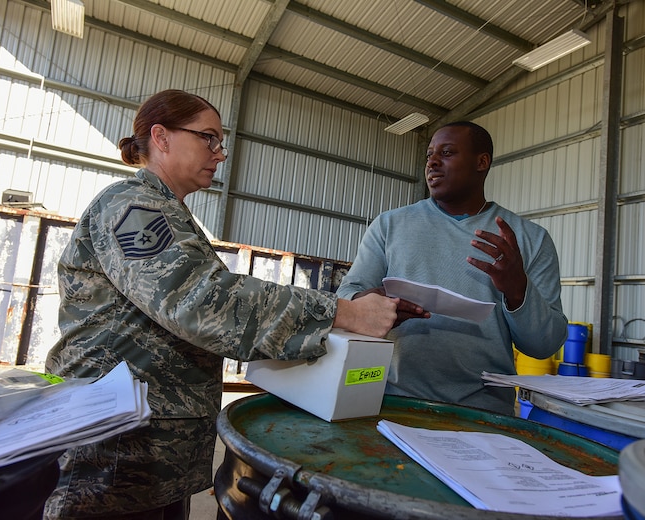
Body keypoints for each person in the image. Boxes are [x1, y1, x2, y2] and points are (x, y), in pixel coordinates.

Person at [43, 89, 399, 520]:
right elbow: (199, 302)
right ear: (161, 137)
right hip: (116, 450)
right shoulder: (133, 205)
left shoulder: (169, 213)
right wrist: (344, 312)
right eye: (208, 138)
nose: (221, 153)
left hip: (148, 452)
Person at [336, 121, 567, 416]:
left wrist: (517, 290)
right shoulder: (390, 225)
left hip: (485, 415)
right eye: (429, 154)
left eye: (446, 152)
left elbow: (544, 345)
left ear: (481, 162)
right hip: (391, 403)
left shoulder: (529, 239)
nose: (432, 161)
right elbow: (349, 294)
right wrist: (374, 301)